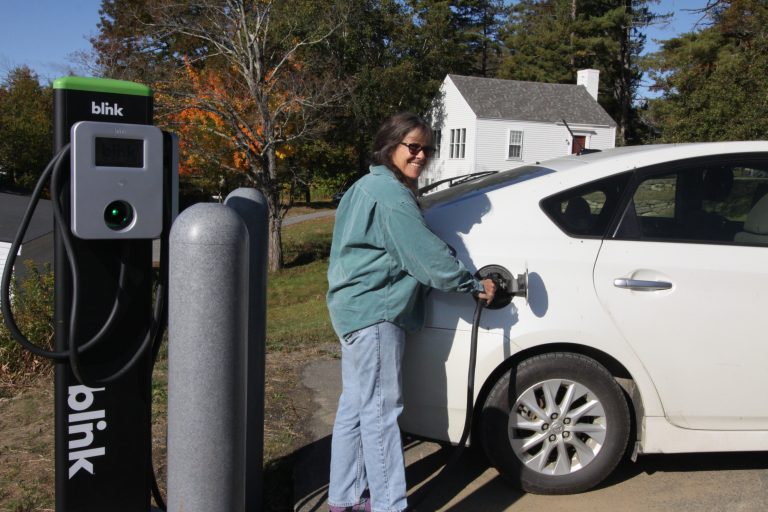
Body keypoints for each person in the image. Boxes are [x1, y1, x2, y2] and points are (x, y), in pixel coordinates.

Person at [326, 112, 496, 512]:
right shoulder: (391, 196)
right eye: (413, 147)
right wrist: (473, 284)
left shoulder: (365, 186)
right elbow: (425, 257)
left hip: (353, 311)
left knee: (355, 409)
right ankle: (388, 506)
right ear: (391, 146)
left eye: (427, 150)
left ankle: (345, 499)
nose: (421, 156)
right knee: (382, 414)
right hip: (376, 313)